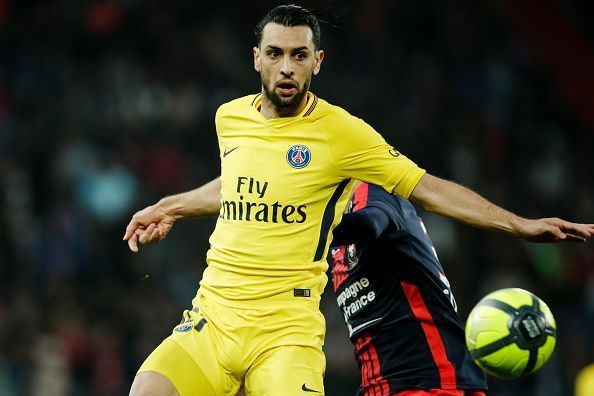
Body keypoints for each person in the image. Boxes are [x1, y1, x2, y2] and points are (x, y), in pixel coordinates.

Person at [123, 5, 594, 396]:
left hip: (284, 332)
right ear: (256, 59)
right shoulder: (230, 118)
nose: (286, 66)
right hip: (213, 315)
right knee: (146, 390)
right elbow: (238, 184)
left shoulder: (341, 133)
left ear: (317, 61)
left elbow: (426, 187)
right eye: (275, 53)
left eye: (298, 54)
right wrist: (172, 205)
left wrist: (518, 224)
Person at [329, 182, 488, 395]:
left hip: (425, 378)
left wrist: (304, 227)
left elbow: (371, 224)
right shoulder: (334, 231)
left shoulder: (368, 189)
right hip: (383, 383)